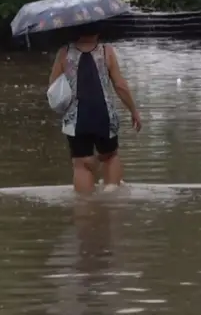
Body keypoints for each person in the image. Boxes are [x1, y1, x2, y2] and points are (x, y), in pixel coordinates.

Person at [49, 21, 142, 195]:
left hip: (75, 120)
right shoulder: (106, 51)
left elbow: (53, 88)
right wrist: (133, 111)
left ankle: (85, 210)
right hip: (104, 116)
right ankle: (111, 199)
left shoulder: (64, 53)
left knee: (81, 163)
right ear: (99, 29)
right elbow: (120, 85)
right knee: (110, 156)